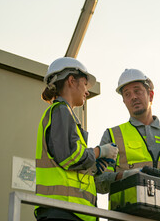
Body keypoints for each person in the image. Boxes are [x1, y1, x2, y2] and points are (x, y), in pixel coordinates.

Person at [35, 57, 118, 221]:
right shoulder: (61, 111)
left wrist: (92, 168)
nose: (87, 91)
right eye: (85, 84)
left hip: (69, 212)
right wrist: (99, 151)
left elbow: (67, 166)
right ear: (71, 81)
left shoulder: (64, 114)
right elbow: (69, 156)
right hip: (62, 212)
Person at [95, 69, 160, 194]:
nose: (133, 97)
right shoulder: (113, 135)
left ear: (150, 95)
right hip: (126, 211)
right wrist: (125, 176)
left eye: (137, 91)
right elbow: (99, 183)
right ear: (124, 101)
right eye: (127, 94)